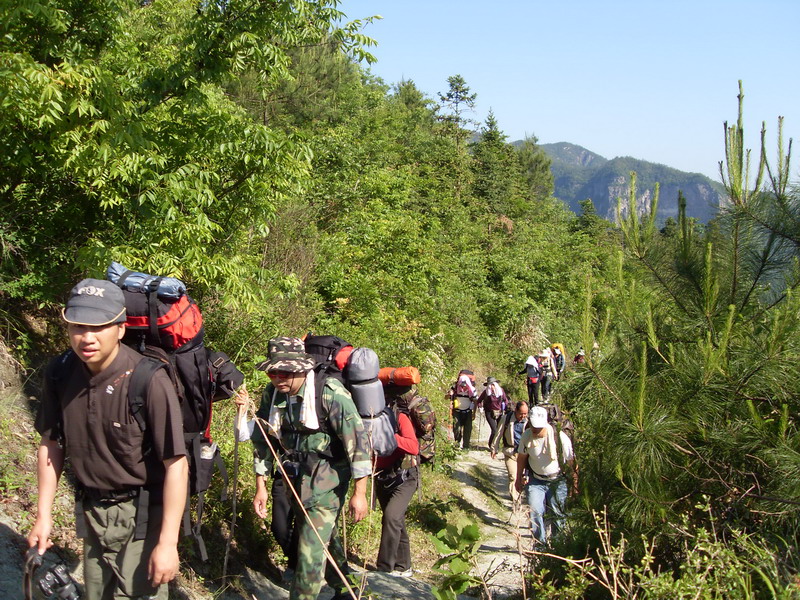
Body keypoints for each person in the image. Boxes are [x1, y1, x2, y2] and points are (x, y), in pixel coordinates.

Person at [28, 279, 188, 600]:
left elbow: (176, 464)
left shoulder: (148, 380)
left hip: (143, 515)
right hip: (92, 509)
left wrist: (168, 543)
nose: (87, 337)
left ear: (120, 328)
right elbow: (51, 444)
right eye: (78, 326)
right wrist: (43, 515)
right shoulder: (60, 373)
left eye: (98, 326)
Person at [250, 337, 371, 600]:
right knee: (325, 539)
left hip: (329, 481)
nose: (278, 378)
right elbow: (263, 440)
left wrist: (359, 494)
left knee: (308, 552)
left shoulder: (330, 393)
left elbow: (359, 444)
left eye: (285, 372)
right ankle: (349, 588)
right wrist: (261, 486)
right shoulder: (273, 395)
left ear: (302, 369)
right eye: (273, 372)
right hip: (296, 479)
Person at [374, 383, 420, 577]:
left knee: (391, 517)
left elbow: (413, 446)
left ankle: (384, 568)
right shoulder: (368, 419)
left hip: (406, 477)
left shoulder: (400, 418)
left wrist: (391, 437)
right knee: (396, 520)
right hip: (382, 476)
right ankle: (403, 566)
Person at [515, 406, 578, 546]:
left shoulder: (559, 438)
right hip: (536, 480)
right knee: (534, 511)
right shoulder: (526, 436)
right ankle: (540, 545)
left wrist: (575, 483)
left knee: (558, 513)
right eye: (533, 426)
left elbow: (571, 462)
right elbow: (521, 458)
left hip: (557, 480)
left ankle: (558, 545)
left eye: (539, 427)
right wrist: (518, 478)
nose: (535, 430)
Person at [490, 401, 529, 506]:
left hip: (524, 454)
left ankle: (520, 494)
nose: (523, 416)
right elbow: (498, 433)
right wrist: (494, 448)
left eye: (525, 414)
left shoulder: (528, 422)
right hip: (510, 453)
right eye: (521, 413)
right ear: (516, 411)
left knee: (522, 477)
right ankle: (516, 500)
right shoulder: (506, 419)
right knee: (513, 476)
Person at [447, 371, 477, 450]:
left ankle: (466, 446)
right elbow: (446, 397)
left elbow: (475, 401)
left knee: (468, 429)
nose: (463, 388)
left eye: (465, 386)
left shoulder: (472, 390)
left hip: (468, 411)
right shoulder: (455, 388)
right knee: (456, 428)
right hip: (457, 411)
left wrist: (474, 412)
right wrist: (449, 395)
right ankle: (457, 444)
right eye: (462, 386)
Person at [478, 377, 509, 450]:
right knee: (494, 429)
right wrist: (480, 407)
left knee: (499, 429)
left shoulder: (501, 391)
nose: (491, 386)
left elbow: (505, 400)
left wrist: (504, 407)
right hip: (489, 412)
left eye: (493, 384)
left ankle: (496, 445)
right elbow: (479, 400)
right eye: (490, 385)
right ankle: (491, 445)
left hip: (499, 412)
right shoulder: (486, 392)